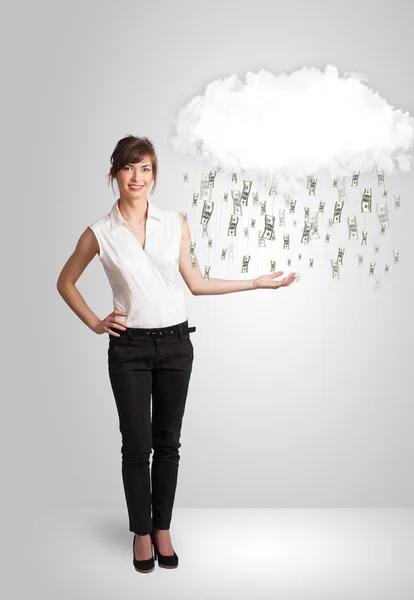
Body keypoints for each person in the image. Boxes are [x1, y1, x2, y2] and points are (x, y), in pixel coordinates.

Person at [56, 134, 296, 573]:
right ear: (115, 172)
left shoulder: (175, 221)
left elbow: (196, 282)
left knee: (168, 443)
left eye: (145, 168)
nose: (137, 177)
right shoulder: (100, 232)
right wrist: (95, 321)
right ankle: (141, 533)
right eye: (129, 168)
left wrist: (256, 283)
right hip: (128, 349)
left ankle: (162, 527)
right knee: (137, 445)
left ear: (154, 174)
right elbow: (65, 281)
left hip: (175, 345)